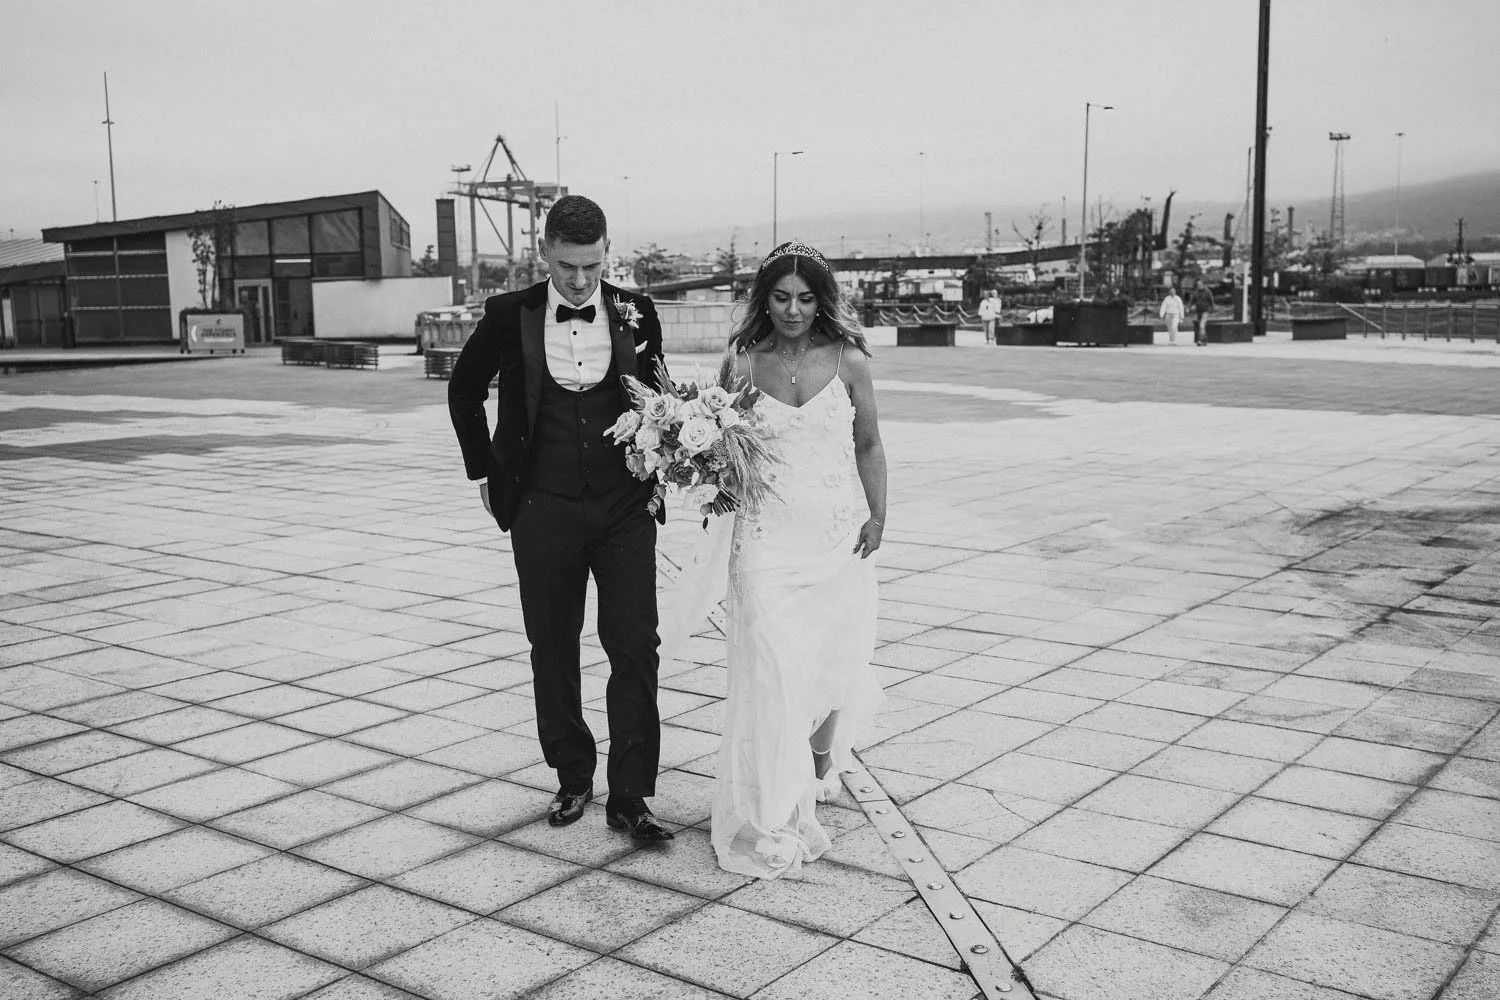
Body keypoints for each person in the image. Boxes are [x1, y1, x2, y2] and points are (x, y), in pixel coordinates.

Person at [446, 194, 674, 843]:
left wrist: (667, 466)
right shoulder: (508, 314)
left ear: (608, 254)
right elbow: (464, 390)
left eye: (593, 266)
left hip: (624, 504)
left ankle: (630, 795)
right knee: (552, 643)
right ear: (544, 252)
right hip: (542, 505)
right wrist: (485, 471)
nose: (581, 280)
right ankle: (573, 773)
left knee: (635, 645)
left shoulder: (638, 311)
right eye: (569, 266)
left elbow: (661, 396)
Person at [693, 240, 887, 878]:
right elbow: (722, 451)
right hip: (767, 539)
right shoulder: (742, 364)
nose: (794, 310)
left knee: (829, 655)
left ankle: (820, 765)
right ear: (763, 299)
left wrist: (878, 513)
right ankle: (773, 807)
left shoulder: (851, 360)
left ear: (823, 301)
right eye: (781, 297)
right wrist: (695, 461)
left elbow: (868, 443)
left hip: (833, 533)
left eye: (806, 298)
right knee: (773, 665)